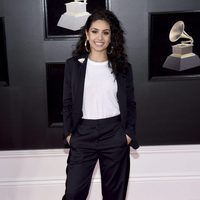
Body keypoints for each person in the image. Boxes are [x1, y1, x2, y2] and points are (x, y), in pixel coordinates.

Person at [62, 9, 139, 200]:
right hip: (83, 134)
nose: (100, 37)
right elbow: (67, 103)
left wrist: (128, 134)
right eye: (95, 31)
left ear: (112, 37)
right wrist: (69, 134)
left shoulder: (122, 67)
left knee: (114, 196)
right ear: (87, 34)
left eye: (106, 32)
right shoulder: (73, 65)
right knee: (73, 194)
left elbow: (130, 103)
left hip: (114, 134)